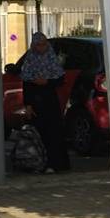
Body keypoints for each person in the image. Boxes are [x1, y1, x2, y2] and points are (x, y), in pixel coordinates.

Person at [20, 33, 69, 172]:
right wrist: (28, 105)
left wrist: (47, 82)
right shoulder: (30, 59)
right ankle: (38, 162)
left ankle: (55, 163)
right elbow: (26, 84)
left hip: (50, 100)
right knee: (39, 133)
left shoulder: (51, 58)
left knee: (54, 132)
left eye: (43, 45)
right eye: (38, 45)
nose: (41, 48)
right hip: (36, 102)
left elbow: (60, 79)